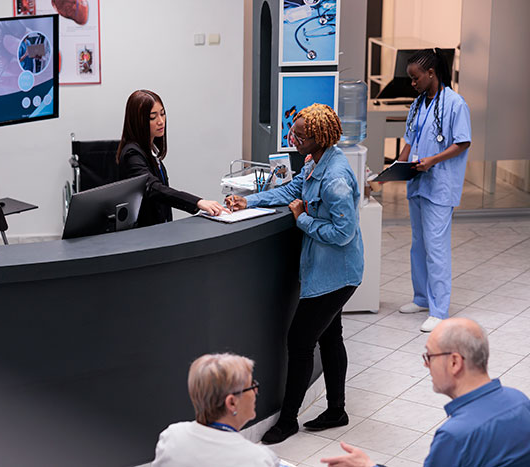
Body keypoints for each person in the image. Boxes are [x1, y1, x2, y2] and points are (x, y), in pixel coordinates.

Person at [226, 104, 364, 444]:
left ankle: (287, 421)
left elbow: (343, 233)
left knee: (299, 342)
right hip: (328, 272)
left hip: (338, 275)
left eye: (298, 135)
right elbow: (292, 190)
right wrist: (252, 201)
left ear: (317, 138)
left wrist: (302, 219)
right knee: (330, 337)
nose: (292, 139)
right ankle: (337, 410)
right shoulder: (316, 161)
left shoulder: (334, 180)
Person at [320, 318, 530, 467]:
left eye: (430, 356)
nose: (426, 365)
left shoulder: (456, 435)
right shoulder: (521, 402)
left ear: (455, 362)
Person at [394, 48, 472, 333]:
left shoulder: (455, 103)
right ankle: (422, 298)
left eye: (415, 78)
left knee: (436, 248)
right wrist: (393, 168)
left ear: (431, 73)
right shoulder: (417, 105)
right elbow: (409, 141)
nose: (412, 83)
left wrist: (433, 160)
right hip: (417, 183)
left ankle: (439, 309)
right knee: (419, 244)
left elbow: (462, 142)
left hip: (439, 185)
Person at [116, 90, 227, 227]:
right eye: (153, 117)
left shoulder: (151, 150)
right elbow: (153, 188)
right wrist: (197, 202)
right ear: (138, 120)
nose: (161, 121)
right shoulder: (132, 154)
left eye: (162, 114)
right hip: (144, 234)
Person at [152, 353, 279, 467]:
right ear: (232, 402)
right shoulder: (259, 460)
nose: (255, 391)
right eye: (252, 385)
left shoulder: (171, 436)